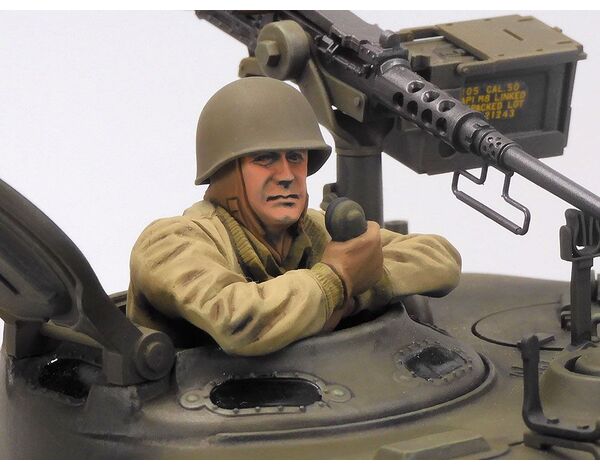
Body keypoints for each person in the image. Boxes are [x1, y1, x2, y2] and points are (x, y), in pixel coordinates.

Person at [126, 77, 461, 356]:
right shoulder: (170, 243)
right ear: (225, 170)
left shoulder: (314, 229)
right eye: (265, 159)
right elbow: (239, 320)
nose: (287, 175)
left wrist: (358, 287)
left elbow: (439, 258)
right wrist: (336, 280)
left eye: (296, 158)